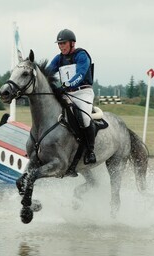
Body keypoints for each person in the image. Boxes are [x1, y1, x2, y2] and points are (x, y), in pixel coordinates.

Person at [48, 29, 96, 167]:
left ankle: (90, 151)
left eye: (63, 43)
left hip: (83, 93)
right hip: (67, 93)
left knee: (85, 118)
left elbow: (80, 74)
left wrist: (68, 85)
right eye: (59, 44)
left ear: (72, 43)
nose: (61, 46)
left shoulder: (82, 55)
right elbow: (48, 71)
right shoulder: (59, 58)